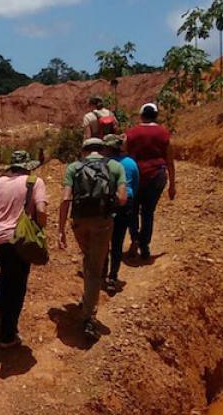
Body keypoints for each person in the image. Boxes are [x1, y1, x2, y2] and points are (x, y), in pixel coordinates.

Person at [57, 138, 127, 340]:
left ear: (83, 150)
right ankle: (89, 317)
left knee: (89, 258)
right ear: (103, 149)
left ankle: (88, 298)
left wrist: (61, 228)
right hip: (103, 223)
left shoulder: (73, 167)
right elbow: (122, 198)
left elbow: (65, 198)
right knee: (95, 267)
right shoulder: (114, 166)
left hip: (79, 222)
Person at [0, 151, 47, 348]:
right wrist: (38, 230)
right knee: (18, 286)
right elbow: (42, 212)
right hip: (18, 239)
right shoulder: (35, 182)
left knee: (6, 274)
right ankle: (7, 335)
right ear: (28, 166)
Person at [124, 102, 177, 260]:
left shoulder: (131, 133)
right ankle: (144, 245)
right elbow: (170, 159)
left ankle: (134, 238)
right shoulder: (164, 133)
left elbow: (126, 155)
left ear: (141, 116)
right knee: (148, 212)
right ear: (156, 115)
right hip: (157, 176)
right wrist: (172, 185)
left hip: (136, 176)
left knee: (132, 211)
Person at [103, 135, 140, 291]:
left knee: (104, 240)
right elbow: (136, 184)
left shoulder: (104, 164)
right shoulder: (131, 163)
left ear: (107, 148)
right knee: (118, 241)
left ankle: (101, 272)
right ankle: (113, 276)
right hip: (126, 202)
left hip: (107, 203)